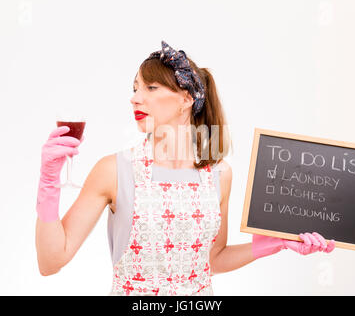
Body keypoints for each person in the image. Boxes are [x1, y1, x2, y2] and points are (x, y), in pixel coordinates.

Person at [35, 40, 335, 296]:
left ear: (187, 99)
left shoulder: (219, 175)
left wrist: (273, 245)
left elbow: (212, 260)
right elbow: (51, 262)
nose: (135, 98)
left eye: (150, 87)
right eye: (135, 88)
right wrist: (48, 184)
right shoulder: (113, 171)